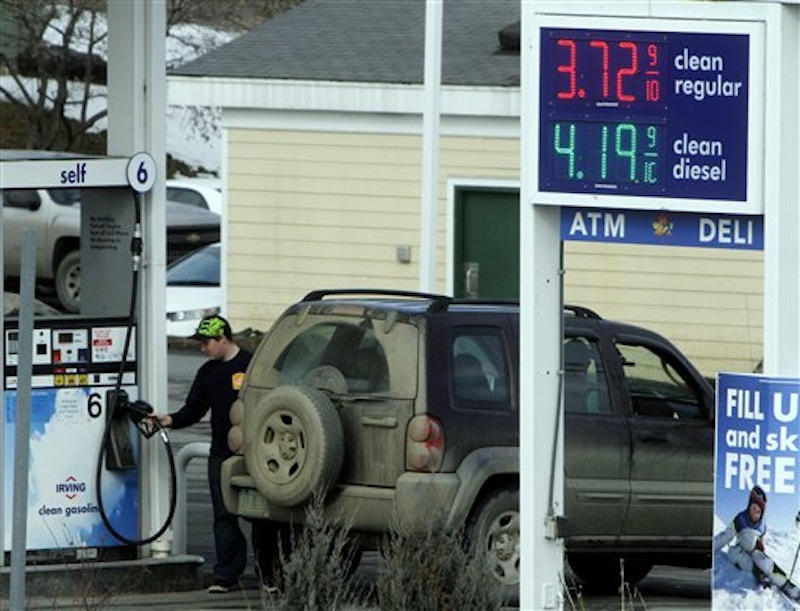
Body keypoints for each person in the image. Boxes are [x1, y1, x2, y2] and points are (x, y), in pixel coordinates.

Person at [152, 314, 285, 594]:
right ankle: (226, 575)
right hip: (221, 455)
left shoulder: (254, 366)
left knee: (263, 518)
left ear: (223, 339)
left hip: (257, 456)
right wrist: (170, 420)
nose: (203, 349)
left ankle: (270, 576)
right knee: (224, 516)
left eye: (206, 343)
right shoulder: (207, 373)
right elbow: (193, 410)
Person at [714, 485, 800, 601]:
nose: (755, 513)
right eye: (753, 508)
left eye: (758, 511)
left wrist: (760, 545)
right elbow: (725, 536)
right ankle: (759, 575)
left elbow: (761, 539)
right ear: (749, 506)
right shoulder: (740, 519)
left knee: (765, 561)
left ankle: (789, 587)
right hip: (740, 550)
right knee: (734, 553)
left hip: (754, 550)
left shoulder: (762, 525)